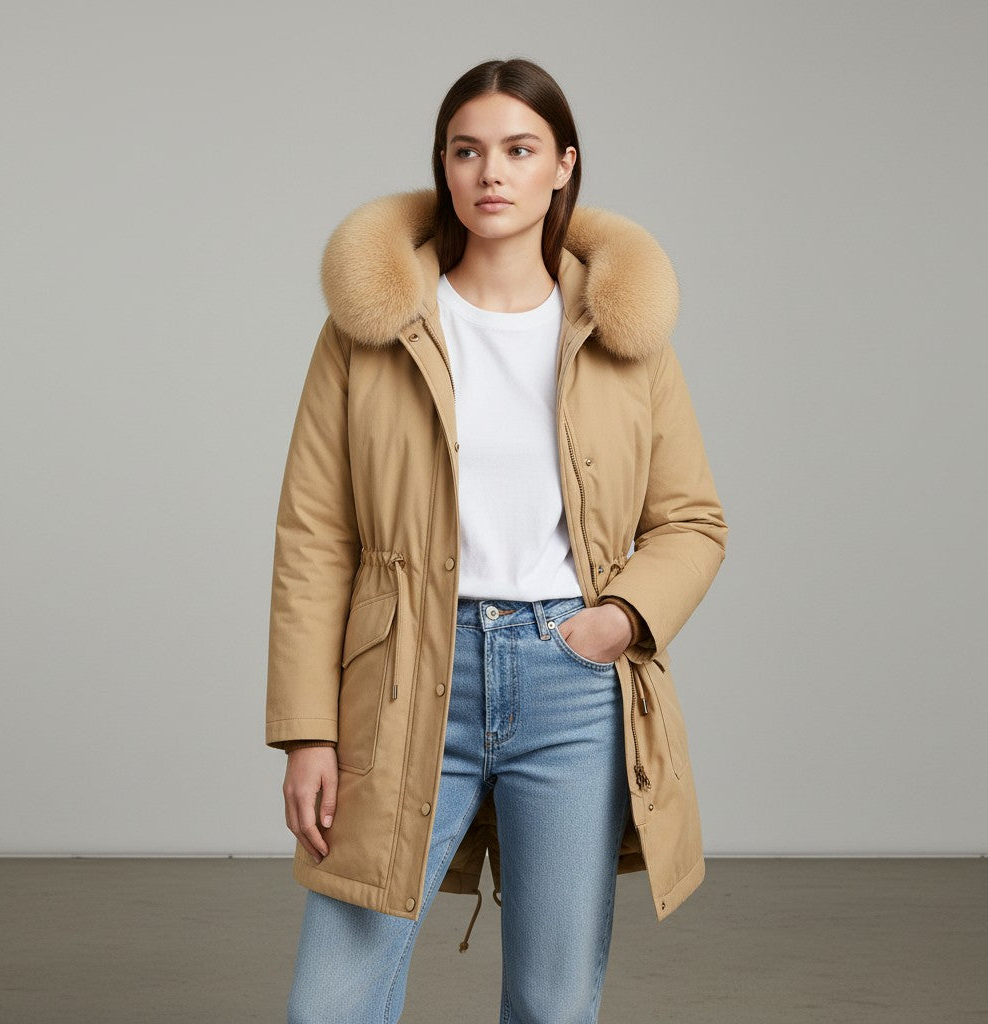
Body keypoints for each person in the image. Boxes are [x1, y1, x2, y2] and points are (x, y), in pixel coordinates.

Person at [266, 56, 728, 1024]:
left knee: (552, 1005)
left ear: (563, 165)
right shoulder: (372, 329)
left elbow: (690, 521)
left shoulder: (623, 332)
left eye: (519, 150)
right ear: (443, 165)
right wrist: (308, 730)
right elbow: (315, 536)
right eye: (467, 150)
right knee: (329, 1005)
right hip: (403, 677)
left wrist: (617, 620)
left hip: (571, 686)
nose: (491, 173)